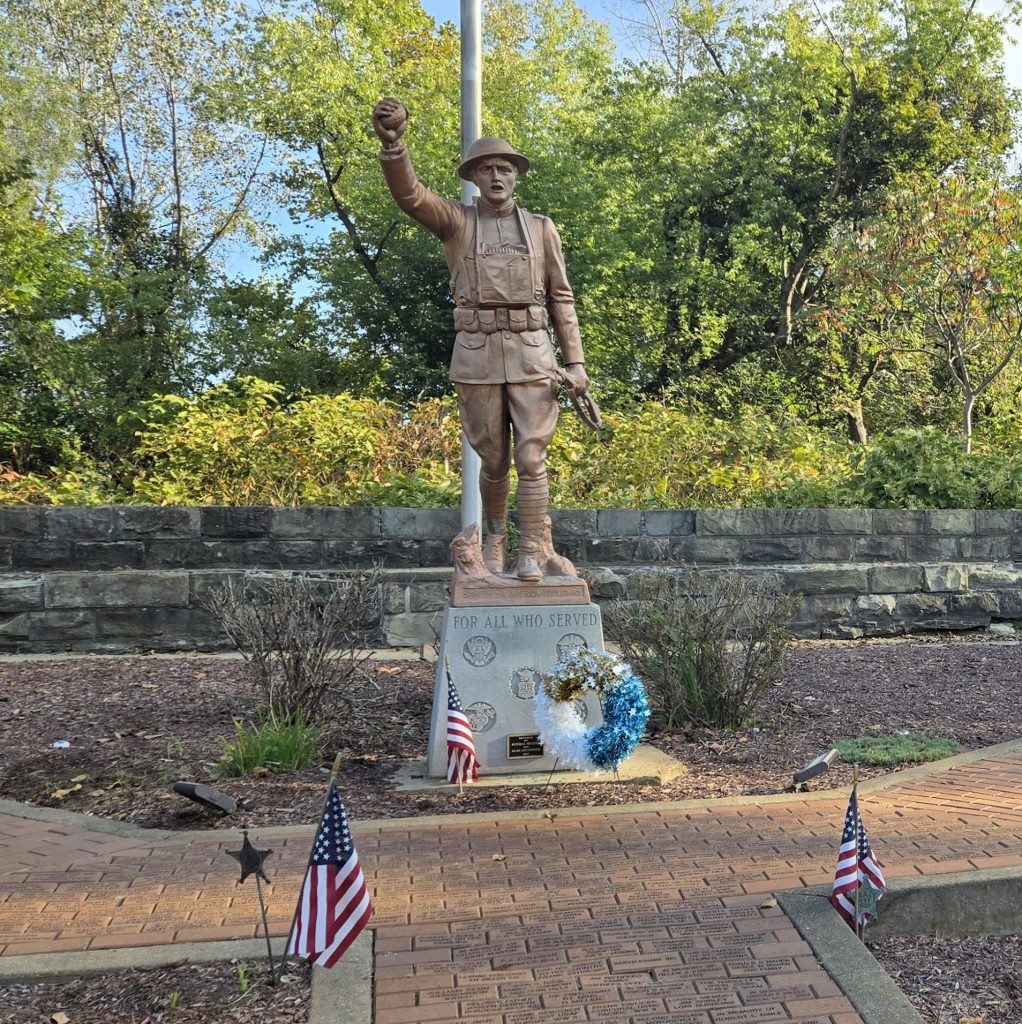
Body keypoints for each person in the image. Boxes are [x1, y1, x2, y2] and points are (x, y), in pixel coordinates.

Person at [372, 97, 589, 583]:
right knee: (493, 459)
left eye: (505, 169)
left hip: (533, 351)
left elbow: (562, 298)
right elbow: (411, 197)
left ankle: (533, 548)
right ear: (473, 177)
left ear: (516, 176)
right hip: (477, 352)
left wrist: (575, 362)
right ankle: (494, 545)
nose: (496, 176)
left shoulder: (540, 229)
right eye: (487, 168)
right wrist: (394, 146)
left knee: (532, 455)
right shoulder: (456, 222)